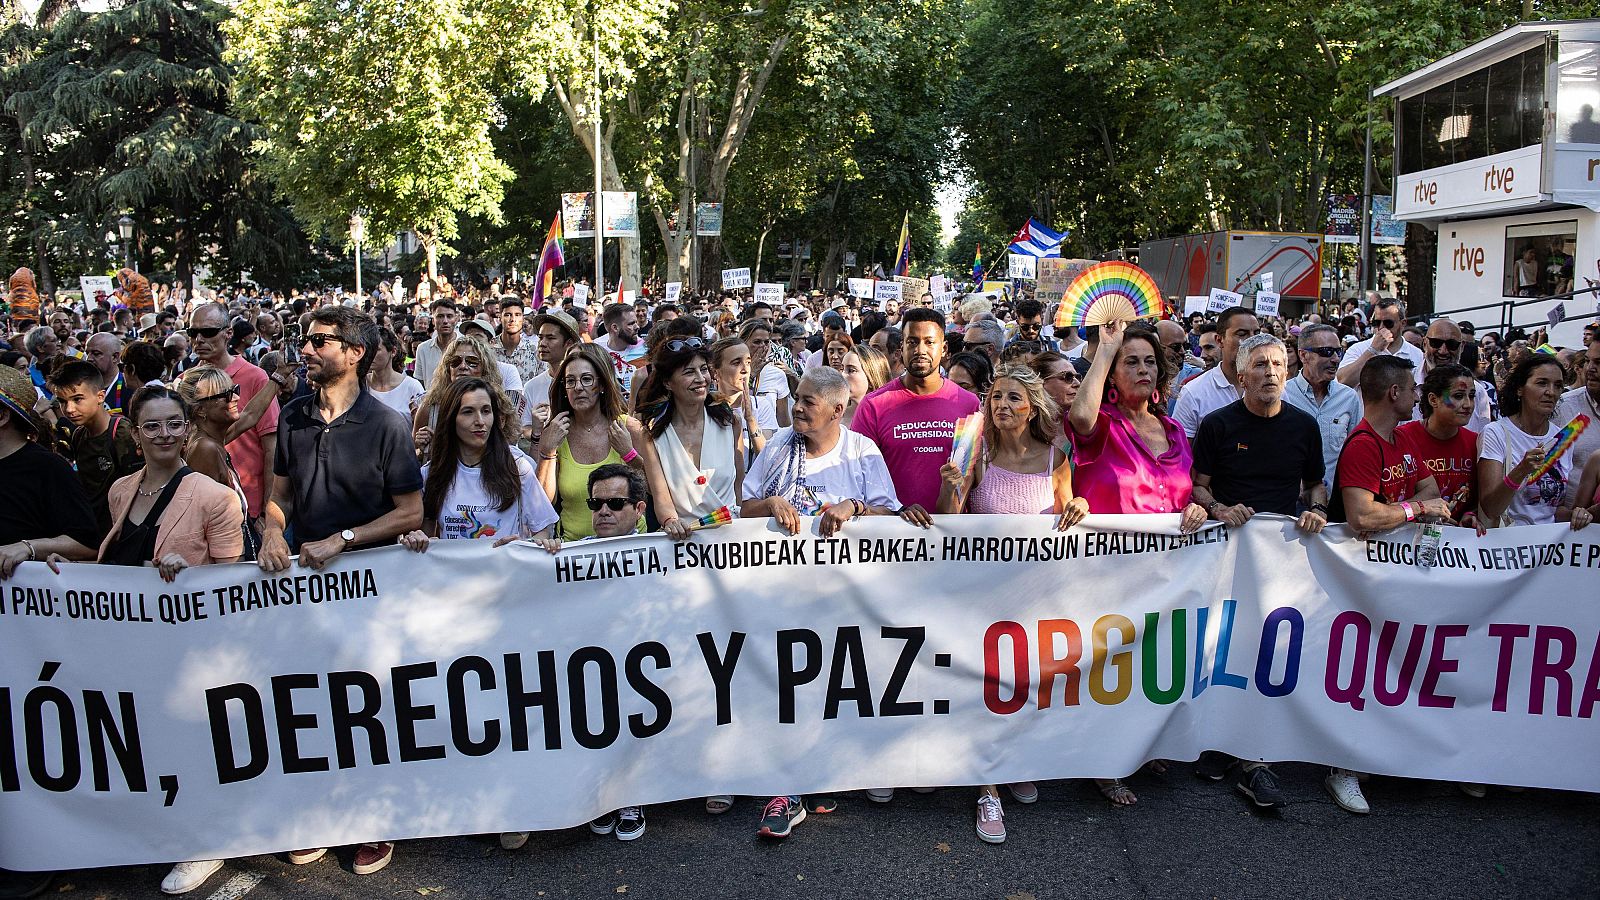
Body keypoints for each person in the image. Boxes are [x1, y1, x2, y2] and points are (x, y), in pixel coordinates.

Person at [257, 305, 423, 879]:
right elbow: (277, 497)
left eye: (319, 341)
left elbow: (410, 511)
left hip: (372, 591)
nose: (305, 349)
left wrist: (343, 540)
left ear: (355, 353)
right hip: (306, 592)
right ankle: (320, 813)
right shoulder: (293, 416)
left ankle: (373, 819)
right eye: (305, 340)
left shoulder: (386, 425)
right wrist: (274, 530)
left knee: (368, 706)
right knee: (311, 701)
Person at [742, 367, 919, 839]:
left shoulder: (861, 451)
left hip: (846, 599)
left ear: (838, 410)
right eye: (797, 398)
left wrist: (853, 507)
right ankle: (786, 789)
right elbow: (743, 506)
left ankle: (829, 773)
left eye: (808, 401)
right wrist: (771, 505)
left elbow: (889, 510)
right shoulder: (779, 445)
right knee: (789, 686)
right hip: (781, 595)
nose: (796, 407)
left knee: (839, 685)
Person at [935, 364, 1084, 843]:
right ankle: (987, 790)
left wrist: (1080, 507)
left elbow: (1068, 511)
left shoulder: (1056, 456)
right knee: (989, 691)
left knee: (1028, 684)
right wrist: (950, 483)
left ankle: (1017, 760)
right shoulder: (974, 453)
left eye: (1013, 398)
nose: (1001, 405)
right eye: (996, 397)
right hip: (984, 596)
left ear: (1032, 406)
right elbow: (947, 521)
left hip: (1037, 595)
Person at [1065, 322, 1206, 803]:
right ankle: (1104, 761)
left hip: (1167, 572)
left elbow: (1187, 488)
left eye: (1149, 361)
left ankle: (1144, 747)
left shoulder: (1173, 429)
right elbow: (1079, 418)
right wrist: (1106, 349)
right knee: (1109, 666)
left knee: (1152, 663)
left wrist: (1199, 506)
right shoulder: (1101, 422)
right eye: (1132, 361)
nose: (1143, 368)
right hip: (1109, 571)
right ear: (1112, 374)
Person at [1188, 334, 1328, 812]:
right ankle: (1222, 743)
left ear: (1288, 374)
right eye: (1260, 365)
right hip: (1227, 559)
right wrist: (1219, 508)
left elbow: (1316, 487)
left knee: (1270, 651)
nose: (1270, 372)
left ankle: (1256, 758)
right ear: (1241, 375)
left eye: (1278, 365)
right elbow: (1199, 489)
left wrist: (1317, 511)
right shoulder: (1217, 424)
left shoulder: (1305, 427)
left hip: (1284, 562)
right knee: (1224, 649)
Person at [1328, 354, 1453, 816]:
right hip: (1362, 579)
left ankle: (1381, 754)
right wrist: (1412, 512)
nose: (1418, 395)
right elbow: (1363, 517)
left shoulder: (1401, 438)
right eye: (1413, 387)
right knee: (1359, 669)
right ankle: (1342, 768)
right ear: (1393, 394)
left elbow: (1430, 489)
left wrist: (1398, 509)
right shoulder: (1363, 444)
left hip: (1395, 575)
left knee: (1393, 668)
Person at [530, 462, 656, 839]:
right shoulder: (572, 553)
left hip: (643, 663)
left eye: (616, 504)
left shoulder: (660, 549)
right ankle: (602, 795)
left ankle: (631, 796)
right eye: (596, 503)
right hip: (591, 664)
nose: (603, 511)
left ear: (638, 510)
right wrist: (532, 553)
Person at [851, 308, 978, 514]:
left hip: (951, 538)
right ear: (901, 347)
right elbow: (858, 474)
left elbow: (972, 477)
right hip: (893, 536)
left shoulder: (968, 405)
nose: (920, 350)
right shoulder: (873, 405)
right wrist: (895, 512)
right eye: (912, 342)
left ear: (944, 348)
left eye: (929, 342)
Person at [633, 336, 745, 537]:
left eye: (703, 369)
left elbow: (739, 484)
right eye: (689, 372)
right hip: (685, 543)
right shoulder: (653, 434)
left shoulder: (731, 421)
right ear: (668, 382)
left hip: (731, 541)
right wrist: (671, 521)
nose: (701, 379)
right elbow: (662, 498)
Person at [536, 343, 650, 540]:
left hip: (631, 551)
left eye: (587, 379)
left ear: (603, 384)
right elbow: (543, 504)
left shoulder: (629, 428)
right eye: (570, 381)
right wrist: (548, 452)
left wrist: (629, 454)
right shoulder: (556, 433)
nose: (578, 387)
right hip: (575, 554)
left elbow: (655, 491)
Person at [185, 302, 279, 531]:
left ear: (228, 334)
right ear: (199, 408)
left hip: (252, 510)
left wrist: (268, 511)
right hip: (218, 522)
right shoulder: (186, 382)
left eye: (207, 332)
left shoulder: (255, 377)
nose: (199, 339)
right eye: (192, 332)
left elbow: (262, 435)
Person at [176, 366, 281, 559]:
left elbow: (250, 415)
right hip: (229, 562)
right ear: (200, 410)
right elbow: (208, 525)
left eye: (235, 390)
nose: (235, 397)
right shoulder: (205, 449)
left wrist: (279, 376)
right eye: (225, 395)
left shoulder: (212, 439)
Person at [1477, 354, 1582, 528]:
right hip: (1509, 547)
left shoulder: (1562, 438)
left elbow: (1552, 510)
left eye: (1558, 385)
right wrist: (1521, 470)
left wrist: (1578, 515)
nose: (1551, 392)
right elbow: (1490, 508)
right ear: (1520, 389)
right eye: (1542, 383)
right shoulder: (1496, 433)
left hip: (1549, 549)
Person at [47, 359, 144, 536]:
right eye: (62, 401)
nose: (69, 409)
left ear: (100, 396)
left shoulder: (121, 433)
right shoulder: (78, 434)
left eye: (77, 399)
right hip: (93, 529)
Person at [1283, 324, 1363, 491]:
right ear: (1303, 355)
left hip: (1335, 502)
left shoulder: (1348, 398)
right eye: (1326, 352)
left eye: (1338, 351)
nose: (1335, 359)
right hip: (1290, 501)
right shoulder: (1283, 395)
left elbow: (1355, 453)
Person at [1398, 363, 1480, 523]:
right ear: (1433, 399)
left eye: (1471, 396)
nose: (1468, 404)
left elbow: (1480, 500)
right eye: (1458, 396)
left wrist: (1472, 514)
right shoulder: (1403, 438)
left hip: (1458, 543)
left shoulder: (1476, 442)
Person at [413, 334, 507, 455]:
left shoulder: (496, 405)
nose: (463, 366)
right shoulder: (430, 406)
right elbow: (412, 453)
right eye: (455, 361)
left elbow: (504, 446)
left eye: (472, 362)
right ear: (448, 368)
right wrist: (422, 449)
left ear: (485, 368)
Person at [1173, 306, 1258, 438]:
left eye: (1256, 334)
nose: (1252, 341)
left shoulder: (1272, 389)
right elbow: (1181, 452)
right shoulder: (1193, 393)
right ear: (1220, 340)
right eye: (1242, 334)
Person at [520, 308, 583, 445]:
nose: (542, 343)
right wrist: (539, 432)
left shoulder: (584, 384)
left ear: (569, 344)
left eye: (551, 338)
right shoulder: (531, 386)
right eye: (541, 337)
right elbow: (525, 428)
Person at [1417, 318, 1491, 432]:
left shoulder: (1477, 391)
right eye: (1436, 343)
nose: (1443, 351)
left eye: (1451, 344)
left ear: (1462, 347)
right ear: (1425, 344)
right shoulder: (1405, 385)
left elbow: (1482, 440)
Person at [1336, 296, 1424, 387]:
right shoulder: (1358, 349)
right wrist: (1373, 350)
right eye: (1377, 323)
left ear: (1403, 324)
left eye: (1388, 323)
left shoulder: (1417, 354)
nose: (1381, 327)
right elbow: (1342, 382)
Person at [1556, 340, 1600, 510]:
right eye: (1588, 361)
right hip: (1565, 528)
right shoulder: (1562, 407)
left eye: (1599, 362)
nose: (1590, 368)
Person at [741, 319, 791, 435]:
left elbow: (783, 420)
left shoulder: (777, 374)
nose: (763, 347)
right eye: (757, 342)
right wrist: (751, 374)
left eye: (766, 342)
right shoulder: (733, 372)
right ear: (743, 343)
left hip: (768, 439)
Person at [368, 325, 425, 422]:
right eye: (368, 348)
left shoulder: (412, 387)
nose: (370, 354)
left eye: (377, 349)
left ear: (393, 351)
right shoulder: (360, 384)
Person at [492, 295, 543, 386]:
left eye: (517, 315)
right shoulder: (488, 350)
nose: (513, 320)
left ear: (523, 318)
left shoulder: (536, 350)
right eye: (508, 315)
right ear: (500, 317)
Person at [413, 297, 460, 388]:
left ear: (456, 319)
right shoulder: (423, 349)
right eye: (440, 316)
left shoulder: (466, 347)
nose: (445, 321)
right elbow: (420, 383)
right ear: (433, 320)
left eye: (449, 316)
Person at [839, 345, 889, 428]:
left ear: (871, 377)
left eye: (851, 370)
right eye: (842, 369)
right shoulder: (834, 417)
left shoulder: (889, 418)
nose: (842, 375)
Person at [1155, 319, 1201, 408]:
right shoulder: (1145, 378)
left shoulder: (1197, 378)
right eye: (1175, 347)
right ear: (1157, 346)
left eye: (1185, 346)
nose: (1182, 351)